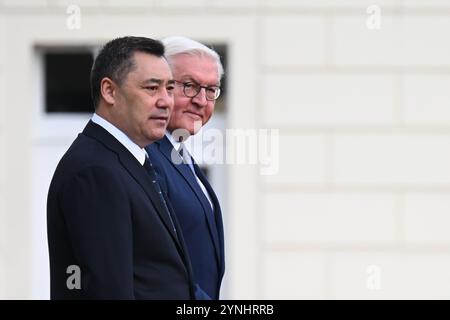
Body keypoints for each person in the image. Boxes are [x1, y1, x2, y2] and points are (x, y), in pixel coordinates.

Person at [47, 36, 196, 299]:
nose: (166, 102)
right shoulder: (95, 171)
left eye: (169, 88)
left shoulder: (133, 160)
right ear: (109, 91)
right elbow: (109, 290)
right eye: (152, 88)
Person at [146, 36, 225, 300]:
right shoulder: (145, 156)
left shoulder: (180, 153)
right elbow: (154, 266)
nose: (202, 101)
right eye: (189, 86)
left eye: (211, 90)